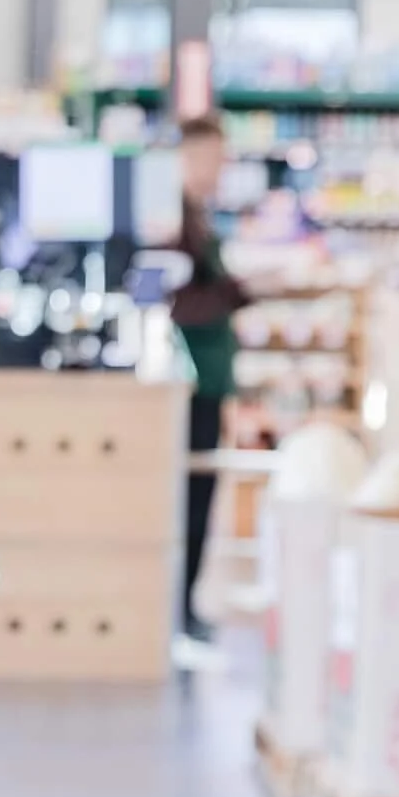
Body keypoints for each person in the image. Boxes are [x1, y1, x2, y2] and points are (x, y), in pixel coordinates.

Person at [170, 116, 246, 639]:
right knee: (191, 497)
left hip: (209, 378)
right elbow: (181, 302)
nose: (220, 170)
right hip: (191, 382)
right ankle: (180, 610)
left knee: (201, 494)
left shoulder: (196, 215)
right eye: (214, 158)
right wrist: (239, 290)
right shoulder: (172, 221)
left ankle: (187, 604)